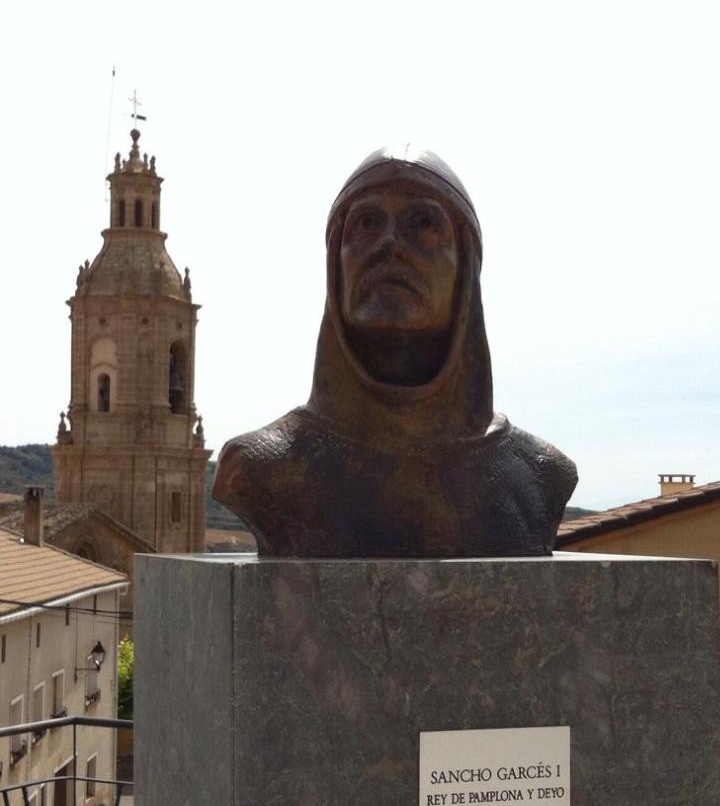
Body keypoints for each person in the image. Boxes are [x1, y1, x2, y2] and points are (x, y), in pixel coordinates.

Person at [213, 146, 577, 556]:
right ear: (336, 263)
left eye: (421, 223)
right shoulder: (263, 468)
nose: (389, 244)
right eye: (367, 223)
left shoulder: (540, 473)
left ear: (465, 266)